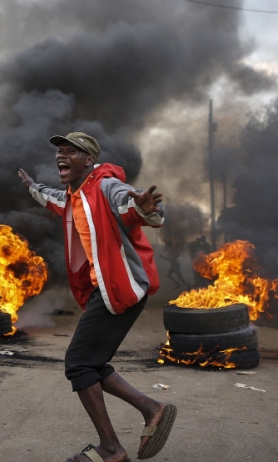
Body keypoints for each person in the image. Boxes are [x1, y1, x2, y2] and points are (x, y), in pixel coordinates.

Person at [18, 131, 177, 462]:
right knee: (90, 363)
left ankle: (111, 448)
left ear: (89, 160)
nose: (61, 155)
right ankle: (152, 409)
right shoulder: (74, 195)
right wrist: (32, 186)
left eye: (70, 151)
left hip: (120, 286)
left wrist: (144, 208)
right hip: (101, 290)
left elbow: (130, 203)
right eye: (59, 151)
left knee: (78, 365)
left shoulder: (105, 186)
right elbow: (53, 199)